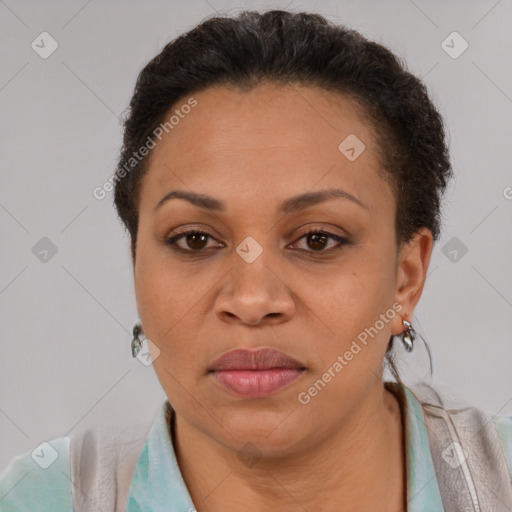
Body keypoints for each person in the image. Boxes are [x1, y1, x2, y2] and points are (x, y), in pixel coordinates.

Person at [1, 9, 511, 512]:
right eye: (196, 240)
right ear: (137, 262)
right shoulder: (34, 500)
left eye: (316, 240)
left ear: (406, 278)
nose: (251, 300)